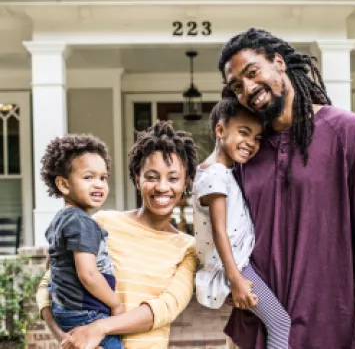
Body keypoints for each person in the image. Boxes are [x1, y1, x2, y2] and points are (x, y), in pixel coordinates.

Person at [218, 28, 355, 348]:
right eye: (236, 86)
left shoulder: (348, 132)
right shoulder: (246, 154)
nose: (247, 88)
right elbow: (229, 230)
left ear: (279, 62)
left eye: (252, 72)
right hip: (261, 333)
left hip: (332, 332)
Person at [36, 120, 198, 349]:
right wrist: (65, 338)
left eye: (173, 178)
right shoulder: (103, 223)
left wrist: (99, 328)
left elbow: (164, 309)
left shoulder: (188, 247)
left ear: (186, 183)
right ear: (136, 178)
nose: (162, 187)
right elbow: (50, 281)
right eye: (151, 177)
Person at [193, 96, 291, 348]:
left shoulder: (220, 171)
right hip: (237, 267)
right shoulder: (215, 175)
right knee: (280, 324)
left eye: (257, 138)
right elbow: (219, 231)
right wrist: (235, 278)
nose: (251, 143)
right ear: (220, 129)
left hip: (237, 265)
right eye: (244, 132)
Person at [40, 134, 124, 349]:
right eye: (88, 177)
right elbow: (87, 274)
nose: (98, 184)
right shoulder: (81, 222)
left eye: (103, 178)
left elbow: (51, 264)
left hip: (65, 309)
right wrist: (115, 304)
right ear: (64, 184)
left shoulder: (60, 219)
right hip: (87, 313)